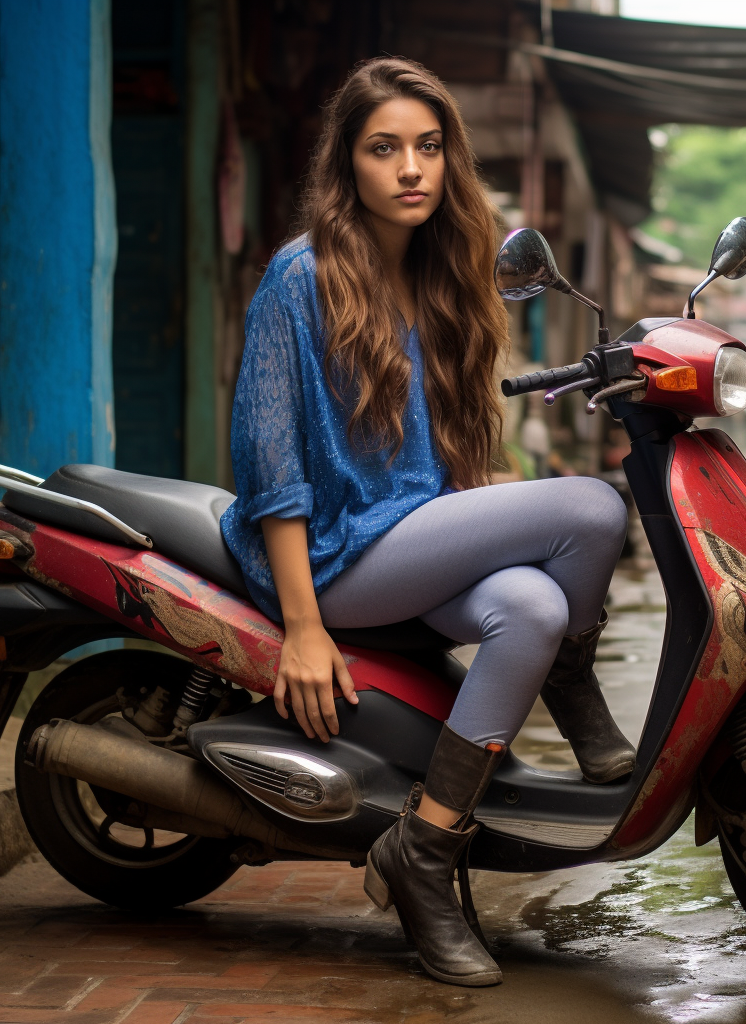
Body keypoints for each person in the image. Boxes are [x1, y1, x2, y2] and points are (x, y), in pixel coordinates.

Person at [222, 57, 633, 988]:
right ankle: (573, 686)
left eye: (428, 147)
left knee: (529, 604)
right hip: (334, 553)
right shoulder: (302, 276)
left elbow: (444, 450)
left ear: (449, 162)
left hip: (414, 533)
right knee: (592, 504)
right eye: (384, 149)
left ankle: (424, 852)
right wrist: (301, 626)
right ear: (349, 166)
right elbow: (271, 468)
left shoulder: (448, 280)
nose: (410, 168)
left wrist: (476, 495)